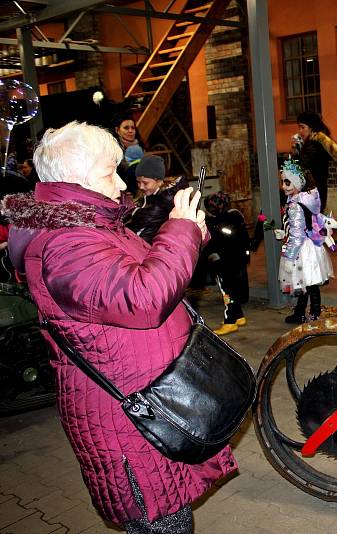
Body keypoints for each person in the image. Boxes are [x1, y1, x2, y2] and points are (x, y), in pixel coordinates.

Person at [0, 121, 236, 533]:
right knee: (164, 524)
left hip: (148, 403)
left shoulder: (91, 224)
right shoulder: (65, 241)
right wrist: (180, 230)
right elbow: (143, 299)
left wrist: (186, 234)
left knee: (172, 518)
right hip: (127, 419)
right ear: (77, 177)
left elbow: (145, 272)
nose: (120, 183)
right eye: (109, 172)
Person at [277, 159, 333, 323]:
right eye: (282, 182)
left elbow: (297, 233)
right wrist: (285, 231)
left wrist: (289, 257)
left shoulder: (295, 204)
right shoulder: (306, 198)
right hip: (310, 246)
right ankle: (309, 312)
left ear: (297, 183)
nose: (284, 186)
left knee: (304, 282)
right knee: (310, 282)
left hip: (300, 249)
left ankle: (306, 313)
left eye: (288, 182)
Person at [204, 191, 251, 335]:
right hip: (238, 261)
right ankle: (239, 316)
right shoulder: (235, 216)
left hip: (225, 264)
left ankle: (230, 321)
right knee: (234, 290)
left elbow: (214, 245)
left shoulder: (216, 223)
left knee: (227, 293)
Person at [124, 154, 190, 244]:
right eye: (138, 182)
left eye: (145, 183)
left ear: (158, 181)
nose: (141, 186)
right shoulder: (147, 198)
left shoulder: (168, 200)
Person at [293, 111, 337, 211]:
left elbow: (303, 164)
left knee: (312, 221)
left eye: (303, 127)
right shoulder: (314, 142)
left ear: (311, 127)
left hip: (313, 191)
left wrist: (297, 151)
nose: (300, 131)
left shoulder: (314, 144)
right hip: (316, 190)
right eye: (299, 128)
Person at [112, 113, 144, 193]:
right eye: (126, 128)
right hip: (122, 184)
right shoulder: (113, 146)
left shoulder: (138, 144)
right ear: (117, 130)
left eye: (133, 128)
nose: (130, 131)